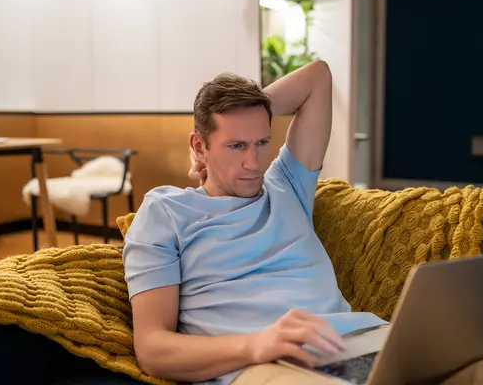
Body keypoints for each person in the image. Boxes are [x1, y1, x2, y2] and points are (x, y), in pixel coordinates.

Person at [122, 60, 387, 385]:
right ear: (198, 145)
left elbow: (318, 76)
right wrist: (257, 345)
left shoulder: (286, 184)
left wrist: (249, 114)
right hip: (267, 362)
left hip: (361, 337)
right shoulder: (165, 213)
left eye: (261, 142)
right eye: (236, 146)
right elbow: (152, 349)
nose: (254, 162)